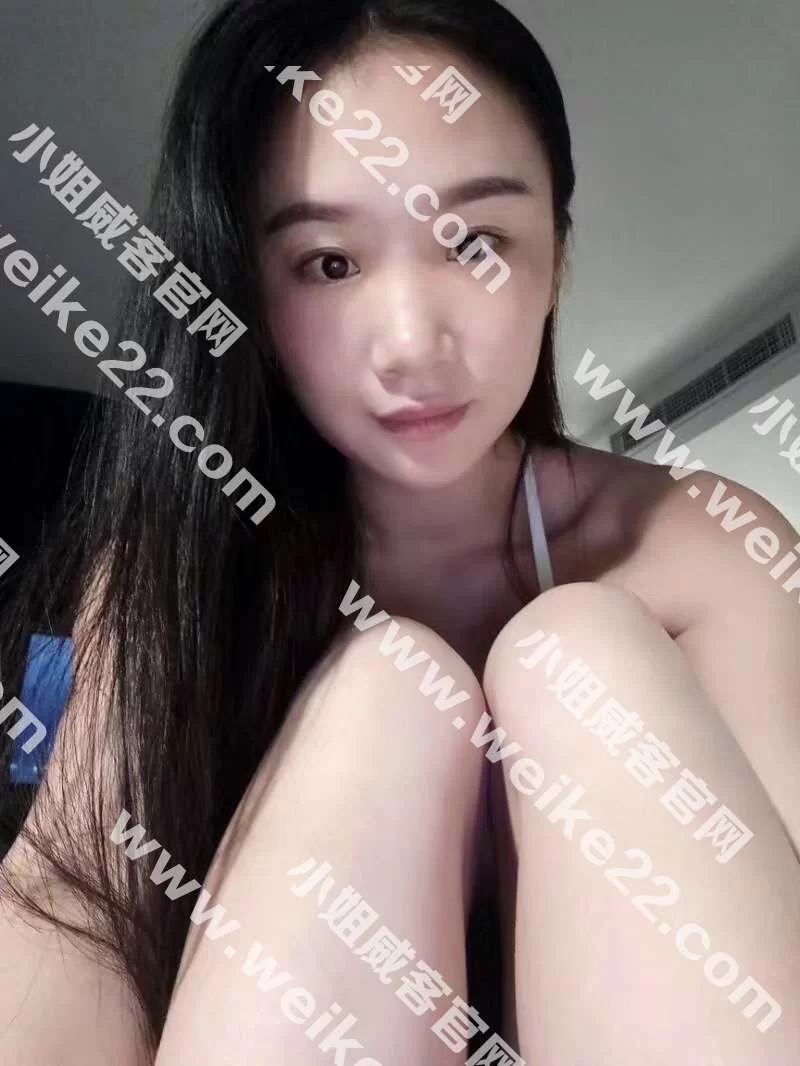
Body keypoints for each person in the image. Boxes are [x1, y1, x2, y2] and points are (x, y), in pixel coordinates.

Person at [1, 0, 798, 1063]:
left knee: (579, 656)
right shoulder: (180, 571)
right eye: (328, 263)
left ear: (554, 258)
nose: (414, 344)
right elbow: (66, 910)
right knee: (386, 689)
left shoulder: (702, 546)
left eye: (474, 242)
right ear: (253, 300)